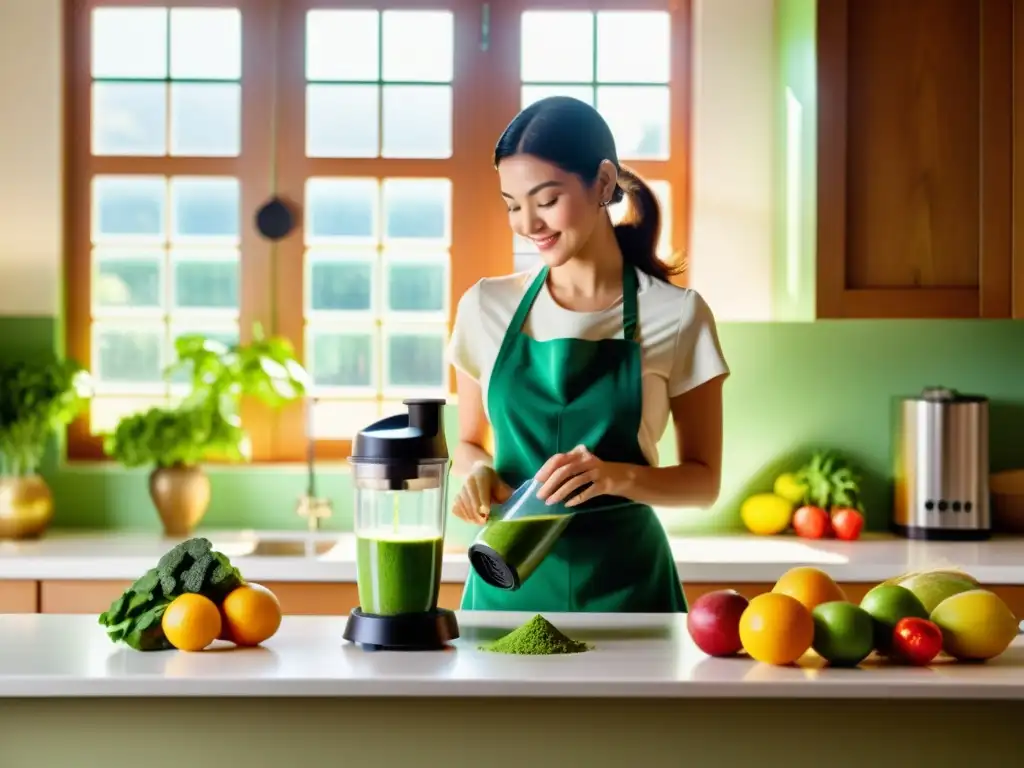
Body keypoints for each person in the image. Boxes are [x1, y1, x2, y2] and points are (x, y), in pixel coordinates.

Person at [446, 96, 729, 613]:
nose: (528, 223)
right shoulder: (485, 307)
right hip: (505, 583)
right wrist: (477, 472)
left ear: (602, 182)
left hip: (629, 592)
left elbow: (703, 480)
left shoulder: (678, 315)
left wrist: (617, 476)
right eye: (512, 204)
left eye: (546, 199)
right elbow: (466, 442)